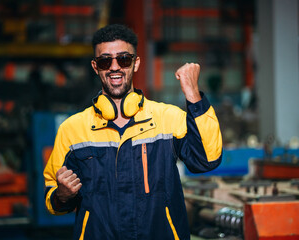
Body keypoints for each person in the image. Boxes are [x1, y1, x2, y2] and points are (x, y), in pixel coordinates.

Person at [43, 24, 222, 240]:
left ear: (136, 63)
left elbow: (207, 160)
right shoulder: (73, 129)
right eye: (105, 60)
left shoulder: (167, 118)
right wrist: (62, 195)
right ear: (95, 66)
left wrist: (193, 94)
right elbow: (52, 196)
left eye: (124, 59)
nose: (114, 67)